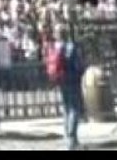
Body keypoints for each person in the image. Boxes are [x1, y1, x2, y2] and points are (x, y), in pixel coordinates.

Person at [48, 23, 86, 151]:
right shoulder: (71, 47)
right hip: (72, 79)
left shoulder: (55, 47)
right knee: (74, 108)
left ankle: (68, 137)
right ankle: (72, 138)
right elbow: (78, 65)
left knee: (66, 107)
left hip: (61, 79)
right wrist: (81, 72)